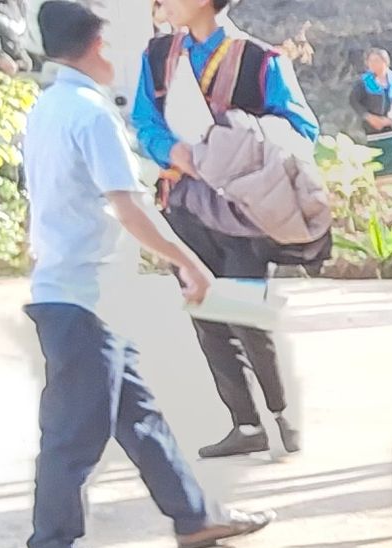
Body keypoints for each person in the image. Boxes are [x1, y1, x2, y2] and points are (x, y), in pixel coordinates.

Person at [18, 0, 269, 548]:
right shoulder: (91, 114)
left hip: (80, 289)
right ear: (99, 45)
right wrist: (187, 261)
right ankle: (53, 545)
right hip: (82, 293)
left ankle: (194, 515)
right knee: (75, 429)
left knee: (141, 416)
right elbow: (128, 206)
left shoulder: (48, 108)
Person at [130, 0, 317, 461]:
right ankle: (244, 421)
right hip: (185, 200)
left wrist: (237, 140)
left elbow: (301, 127)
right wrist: (173, 150)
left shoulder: (260, 60)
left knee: (247, 311)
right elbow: (143, 121)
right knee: (205, 309)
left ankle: (280, 413)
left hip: (243, 207)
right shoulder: (157, 57)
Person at [351, 46, 392, 175]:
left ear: (385, 62)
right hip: (372, 131)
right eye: (370, 61)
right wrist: (368, 117)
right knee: (376, 164)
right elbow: (355, 101)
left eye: (376, 61)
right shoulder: (363, 82)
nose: (373, 64)